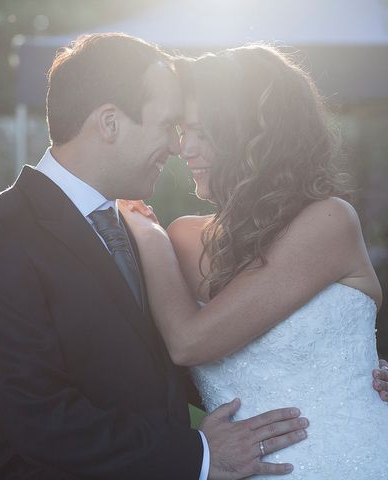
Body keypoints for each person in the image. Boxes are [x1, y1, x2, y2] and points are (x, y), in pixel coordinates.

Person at [0, 34, 313, 480]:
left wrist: (327, 366)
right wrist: (197, 456)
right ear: (110, 122)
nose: (178, 147)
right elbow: (39, 420)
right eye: (167, 124)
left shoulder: (137, 229)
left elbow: (168, 367)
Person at [119, 44, 388, 478]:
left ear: (255, 136)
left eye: (204, 132)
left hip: (359, 459)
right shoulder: (185, 238)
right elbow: (173, 366)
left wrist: (147, 235)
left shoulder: (329, 220)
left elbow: (191, 341)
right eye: (185, 130)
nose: (185, 149)